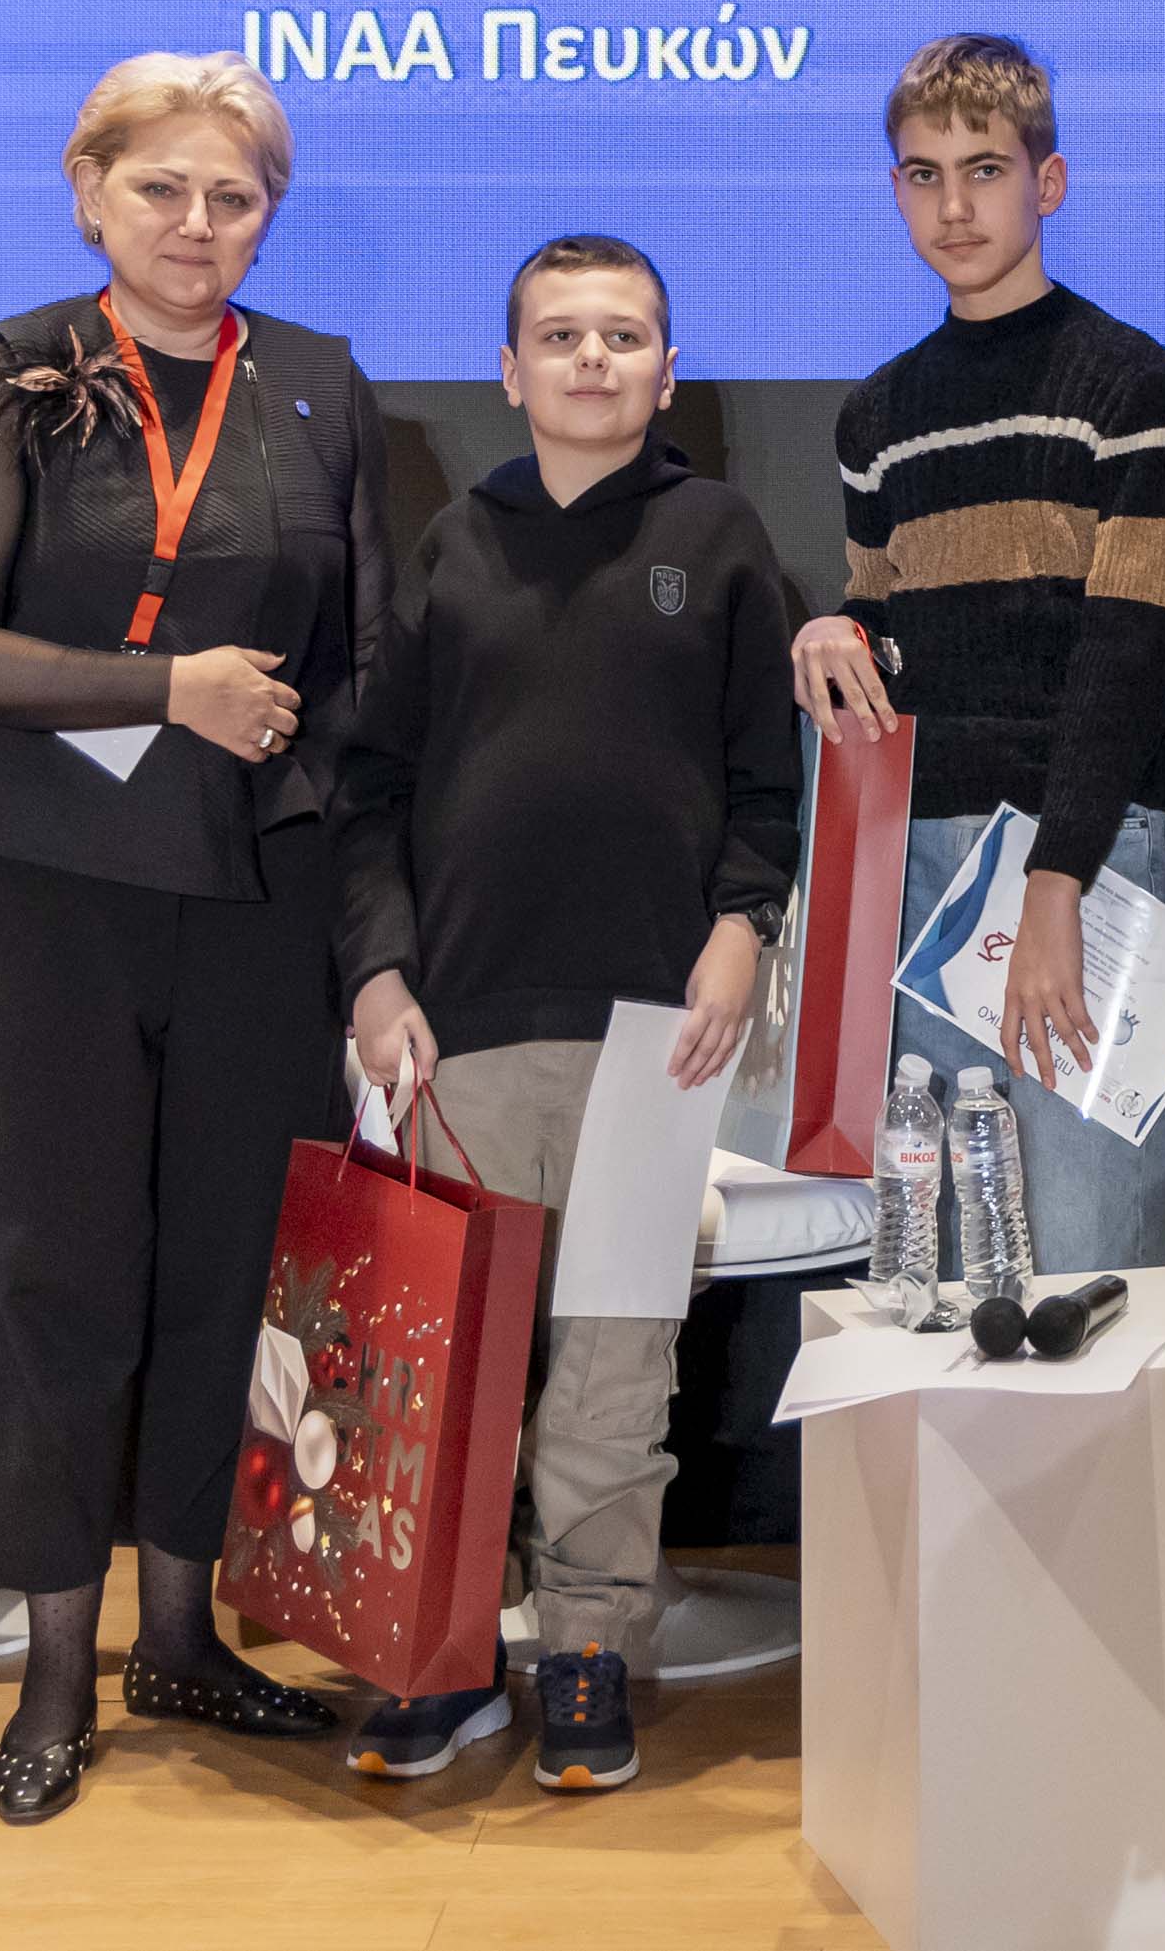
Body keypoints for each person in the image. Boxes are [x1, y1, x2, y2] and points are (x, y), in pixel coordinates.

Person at [0, 51, 389, 1823]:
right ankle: (55, 1666)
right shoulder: (13, 373)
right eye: (161, 189)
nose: (196, 225)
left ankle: (181, 1633)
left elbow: (360, 679)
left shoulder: (320, 386)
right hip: (47, 895)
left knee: (226, 1273)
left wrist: (367, 927)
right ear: (88, 191)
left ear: (267, 216)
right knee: (52, 1274)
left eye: (231, 197)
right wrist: (168, 687)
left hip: (256, 900)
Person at [335, 235, 798, 1799]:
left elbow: (763, 776)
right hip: (460, 1026)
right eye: (559, 334)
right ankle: (447, 1655)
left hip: (658, 1031)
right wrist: (377, 973)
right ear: (509, 369)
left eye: (622, 335)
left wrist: (739, 927)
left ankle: (588, 1642)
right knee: (447, 1367)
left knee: (613, 1359)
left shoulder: (718, 540)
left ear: (666, 371)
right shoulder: (451, 547)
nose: (590, 358)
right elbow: (370, 788)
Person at [796, 36, 1165, 1269]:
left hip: (1086, 856)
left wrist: (1052, 880)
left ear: (1048, 182)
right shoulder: (873, 416)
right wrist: (834, 627)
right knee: (937, 1271)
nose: (954, 205)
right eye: (923, 175)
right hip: (922, 867)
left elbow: (1126, 655)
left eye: (984, 169)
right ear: (894, 192)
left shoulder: (1134, 384)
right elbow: (890, 629)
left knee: (1086, 1259)